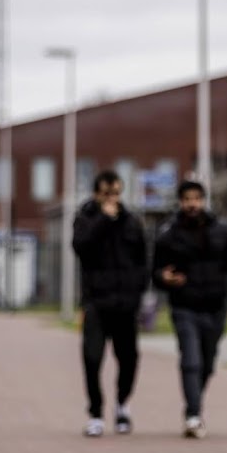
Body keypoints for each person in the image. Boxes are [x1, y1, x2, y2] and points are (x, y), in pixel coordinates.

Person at [152, 180, 227, 439]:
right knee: (190, 360)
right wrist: (163, 277)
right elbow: (154, 271)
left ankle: (193, 404)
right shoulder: (168, 233)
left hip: (215, 307)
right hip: (184, 306)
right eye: (187, 199)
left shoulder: (222, 230)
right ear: (180, 202)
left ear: (203, 201)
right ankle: (193, 414)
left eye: (197, 199)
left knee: (207, 363)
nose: (193, 204)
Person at [72, 170, 149, 438]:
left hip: (126, 304)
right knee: (92, 358)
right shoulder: (85, 219)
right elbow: (81, 247)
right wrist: (104, 219)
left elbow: (142, 260)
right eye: (106, 194)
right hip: (96, 302)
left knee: (128, 359)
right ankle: (95, 413)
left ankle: (122, 406)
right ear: (96, 194)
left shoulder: (132, 222)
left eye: (116, 193)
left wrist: (138, 293)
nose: (112, 199)